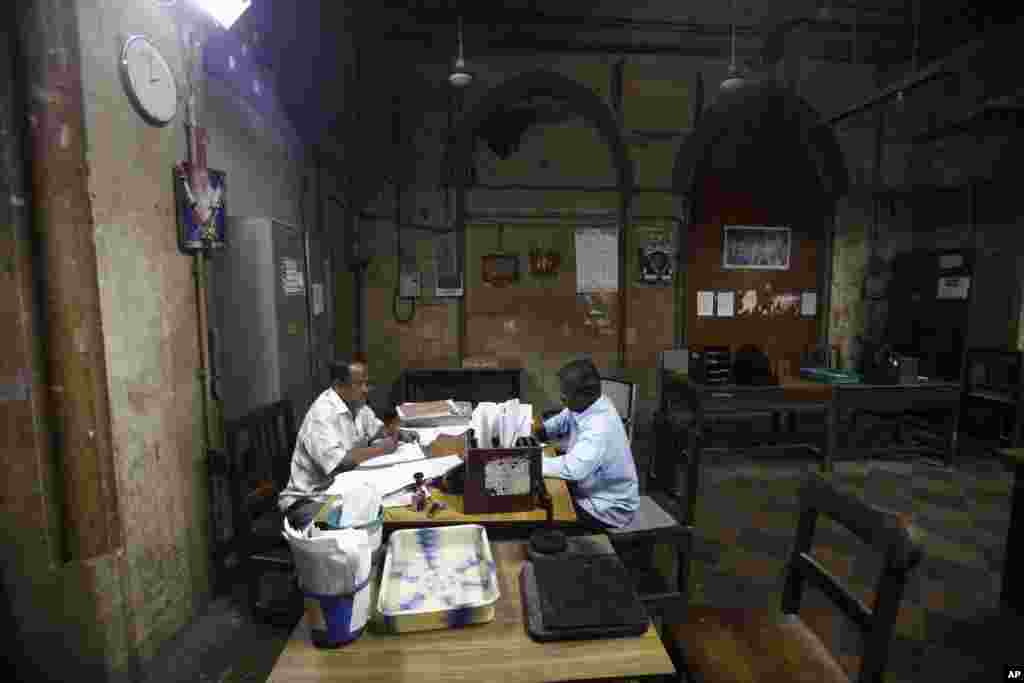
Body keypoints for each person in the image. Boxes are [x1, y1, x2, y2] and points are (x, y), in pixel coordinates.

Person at [279, 359, 408, 530]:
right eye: (359, 384)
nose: (365, 390)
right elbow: (341, 462)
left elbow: (377, 430)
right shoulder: (322, 414)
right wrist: (382, 449)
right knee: (369, 525)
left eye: (367, 383)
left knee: (390, 507)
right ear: (338, 385)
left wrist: (396, 431)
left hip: (341, 490)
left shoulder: (358, 405)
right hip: (310, 500)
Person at [533, 359, 639, 529]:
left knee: (541, 516)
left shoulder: (600, 425)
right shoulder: (586, 405)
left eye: (566, 393)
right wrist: (536, 433)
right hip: (587, 488)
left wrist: (532, 462)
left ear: (585, 394)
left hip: (605, 508)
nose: (561, 397)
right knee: (543, 492)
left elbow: (574, 469)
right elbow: (557, 424)